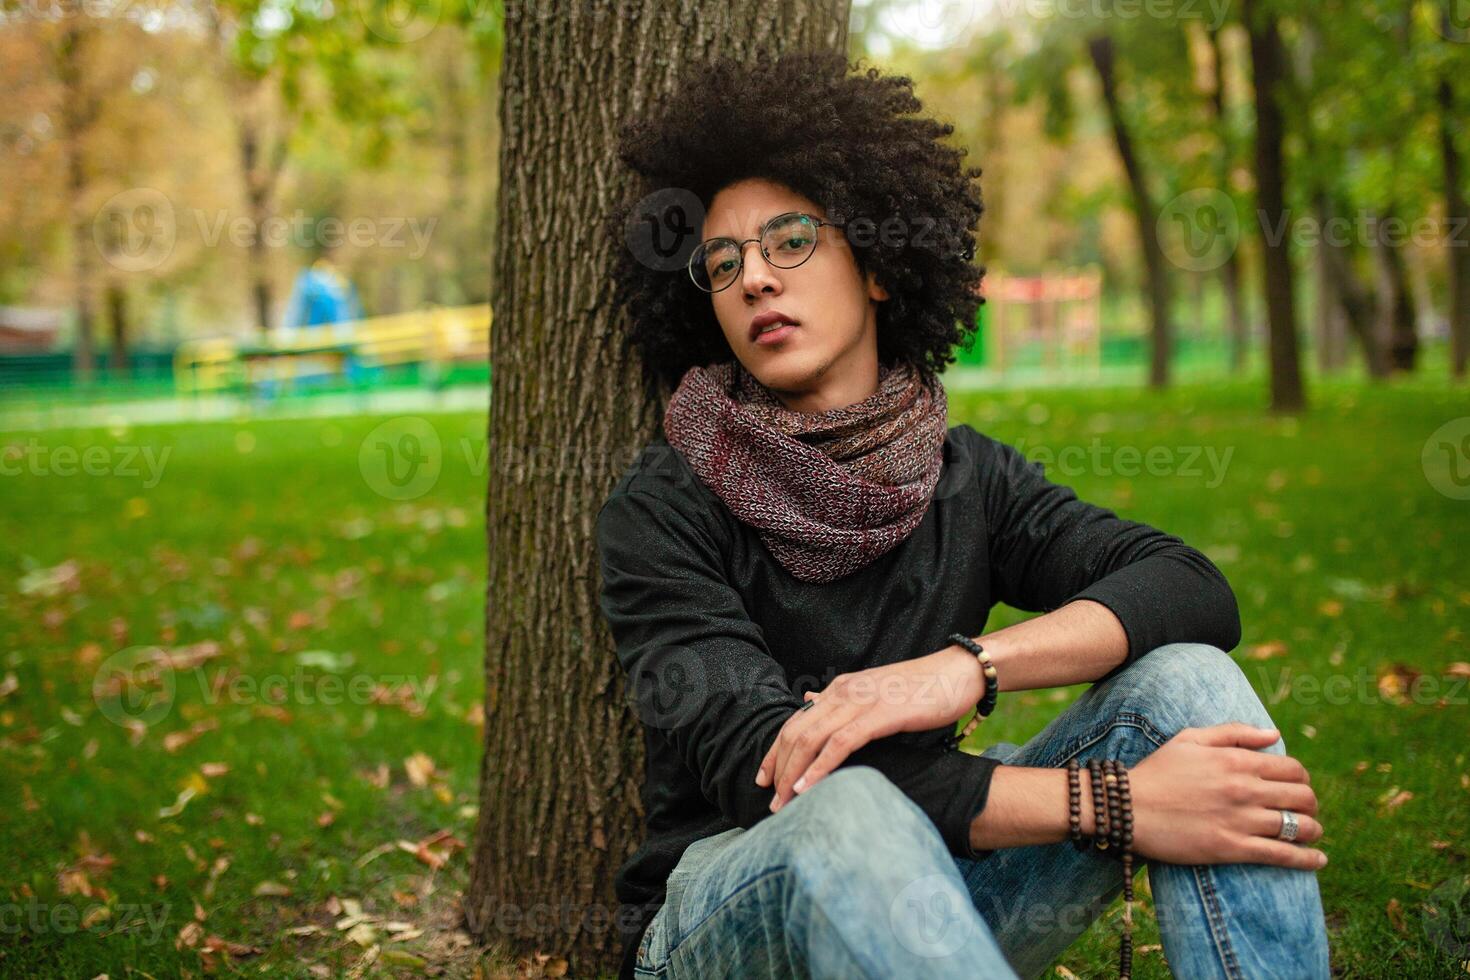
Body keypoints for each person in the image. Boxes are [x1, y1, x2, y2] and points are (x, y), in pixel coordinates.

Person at [596, 50, 1330, 980]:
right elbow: (775, 775)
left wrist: (965, 669)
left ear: (879, 268)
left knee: (1183, 680)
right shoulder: (662, 506)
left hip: (943, 882)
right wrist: (1113, 804)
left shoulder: (963, 476)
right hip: (734, 908)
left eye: (790, 240)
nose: (755, 280)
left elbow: (1189, 587)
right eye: (724, 262)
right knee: (849, 810)